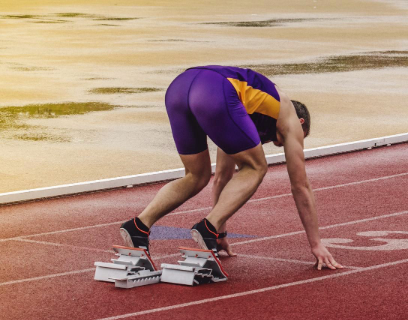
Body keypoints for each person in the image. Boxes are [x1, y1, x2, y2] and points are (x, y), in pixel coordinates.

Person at [119, 65, 343, 270]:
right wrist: (316, 244)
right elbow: (300, 186)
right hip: (213, 90)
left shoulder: (242, 114)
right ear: (301, 124)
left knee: (197, 175)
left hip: (180, 88)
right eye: (301, 138)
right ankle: (207, 228)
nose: (288, 144)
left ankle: (139, 226)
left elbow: (222, 177)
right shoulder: (289, 116)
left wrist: (221, 231)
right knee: (257, 167)